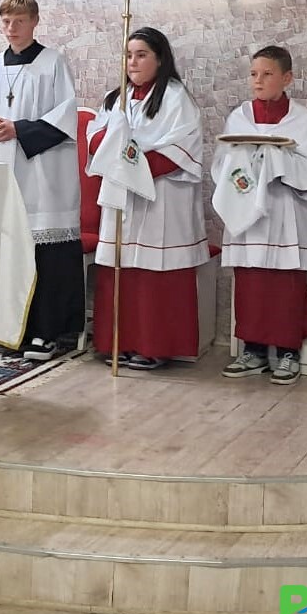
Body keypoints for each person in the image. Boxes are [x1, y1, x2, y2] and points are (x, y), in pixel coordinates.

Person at [0, 0, 84, 361]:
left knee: (43, 255)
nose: (12, 28)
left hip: (42, 173)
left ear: (35, 22)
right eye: (6, 20)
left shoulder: (53, 63)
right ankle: (5, 327)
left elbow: (65, 115)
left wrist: (19, 129)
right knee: (6, 247)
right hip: (4, 167)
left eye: (19, 20)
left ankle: (44, 332)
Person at [86, 27, 209, 369]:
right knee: (121, 268)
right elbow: (95, 136)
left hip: (159, 198)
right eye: (128, 55)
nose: (133, 62)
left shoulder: (174, 97)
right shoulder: (116, 98)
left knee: (153, 273)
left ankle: (153, 345)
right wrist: (117, 153)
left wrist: (133, 167)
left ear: (160, 58)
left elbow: (181, 147)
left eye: (141, 55)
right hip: (123, 196)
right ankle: (118, 342)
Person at [213, 45, 307, 384]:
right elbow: (223, 163)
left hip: (286, 212)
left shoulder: (300, 118)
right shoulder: (239, 117)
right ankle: (254, 350)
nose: (258, 81)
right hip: (248, 210)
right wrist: (247, 165)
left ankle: (289, 351)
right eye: (253, 74)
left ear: (287, 78)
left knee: (283, 285)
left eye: (267, 74)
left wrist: (276, 161)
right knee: (250, 282)